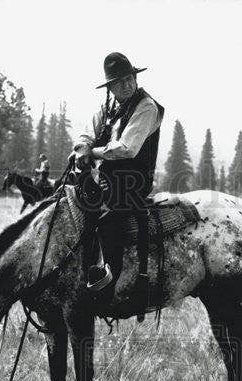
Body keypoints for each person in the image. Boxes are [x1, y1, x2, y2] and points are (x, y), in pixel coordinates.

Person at [73, 52, 164, 293]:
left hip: (133, 180)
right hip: (105, 178)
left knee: (109, 218)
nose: (126, 85)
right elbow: (88, 132)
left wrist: (92, 153)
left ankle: (108, 279)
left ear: (135, 78)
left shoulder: (146, 107)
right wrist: (82, 147)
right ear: (110, 87)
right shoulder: (110, 106)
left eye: (129, 79)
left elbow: (127, 149)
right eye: (119, 82)